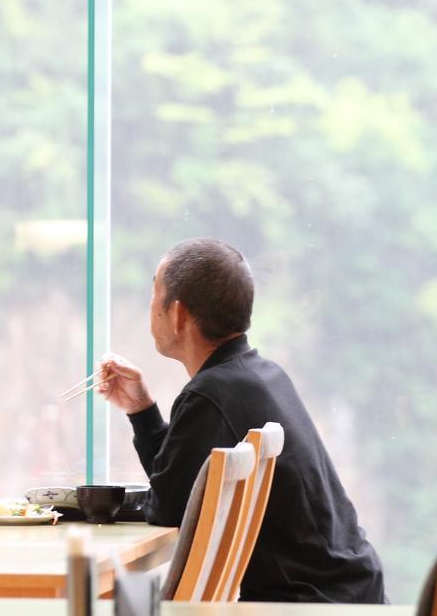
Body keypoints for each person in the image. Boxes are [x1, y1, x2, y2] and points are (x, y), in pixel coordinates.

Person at [98, 238, 386, 603]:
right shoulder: (261, 375)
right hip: (349, 591)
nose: (149, 308)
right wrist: (142, 409)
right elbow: (178, 491)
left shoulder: (211, 393)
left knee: (126, 601)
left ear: (178, 314)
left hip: (309, 604)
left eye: (154, 294)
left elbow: (167, 508)